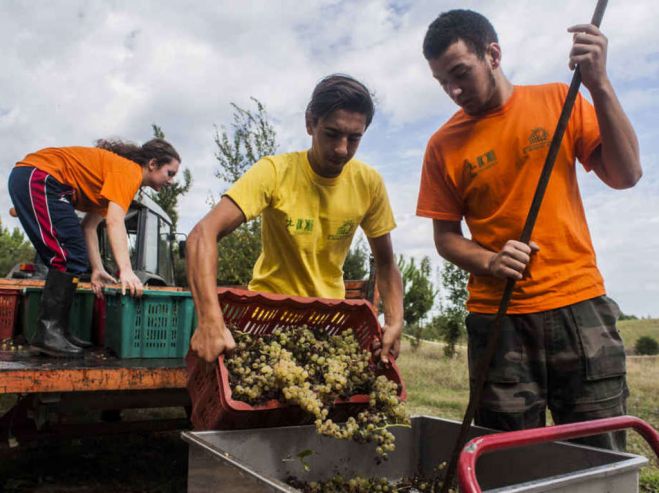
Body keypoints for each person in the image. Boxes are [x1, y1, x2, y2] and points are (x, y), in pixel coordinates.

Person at [416, 10, 641, 450]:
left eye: (460, 74)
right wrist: (491, 261)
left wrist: (599, 83)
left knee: (601, 456)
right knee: (508, 461)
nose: (454, 91)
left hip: (578, 306)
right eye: (443, 83)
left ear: (493, 54)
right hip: (497, 320)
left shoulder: (560, 99)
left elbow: (626, 173)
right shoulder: (442, 145)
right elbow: (445, 238)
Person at [187, 74, 404, 365]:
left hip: (328, 322)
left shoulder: (369, 183)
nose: (342, 149)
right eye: (332, 133)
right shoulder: (275, 172)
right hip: (266, 319)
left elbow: (387, 264)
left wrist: (394, 319)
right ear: (310, 123)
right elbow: (202, 234)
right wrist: (210, 320)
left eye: (354, 138)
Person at [8, 138, 181, 357]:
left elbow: (89, 227)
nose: (171, 181)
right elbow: (115, 222)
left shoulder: (117, 179)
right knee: (70, 254)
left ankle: (56, 330)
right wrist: (126, 270)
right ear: (153, 164)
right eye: (170, 173)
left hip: (41, 180)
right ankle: (48, 333)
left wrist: (98, 269)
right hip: (40, 175)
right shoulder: (129, 172)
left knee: (73, 254)